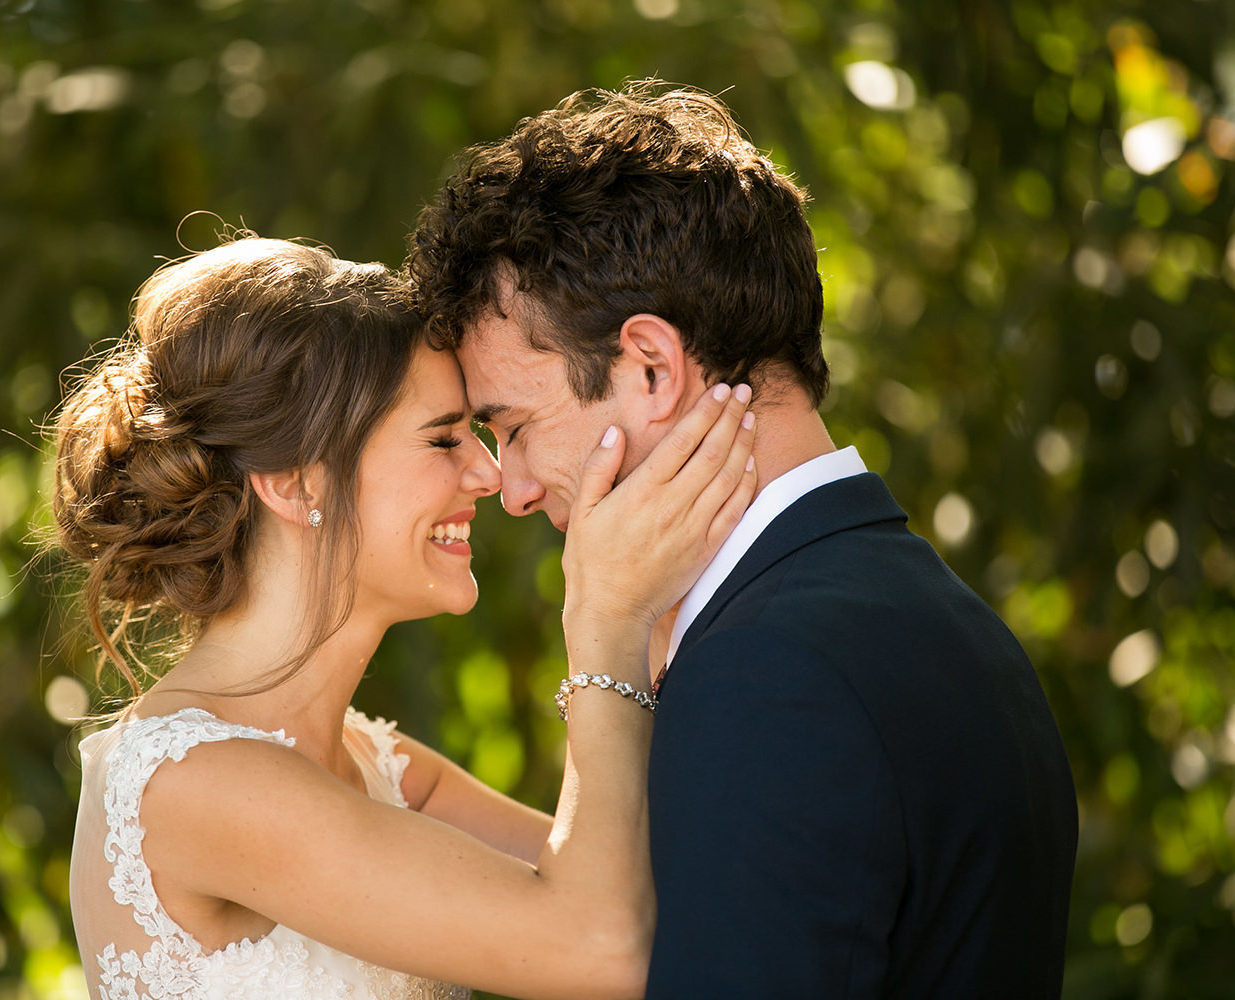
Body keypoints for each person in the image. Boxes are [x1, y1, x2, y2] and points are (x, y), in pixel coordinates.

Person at [408, 81, 1079, 997]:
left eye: (514, 426)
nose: (512, 490)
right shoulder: (936, 614)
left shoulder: (768, 675)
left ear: (651, 367)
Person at [50, 234, 758, 1000]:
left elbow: (662, 892)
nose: (488, 473)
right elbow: (601, 949)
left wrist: (662, 615)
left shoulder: (384, 768)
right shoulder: (192, 785)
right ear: (294, 484)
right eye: (444, 437)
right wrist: (606, 618)